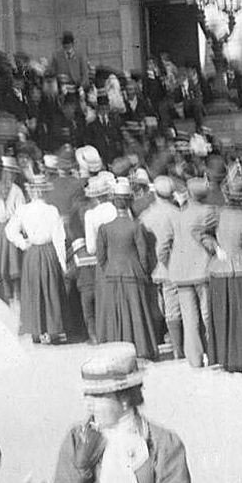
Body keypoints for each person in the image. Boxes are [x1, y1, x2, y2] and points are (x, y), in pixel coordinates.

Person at [51, 342, 193, 483]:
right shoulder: (78, 438)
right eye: (87, 395)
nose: (88, 405)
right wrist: (82, 470)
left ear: (124, 399)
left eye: (98, 395)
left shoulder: (162, 443)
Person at [159, 177, 219, 368]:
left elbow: (162, 247)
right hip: (203, 270)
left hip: (180, 273)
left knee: (189, 317)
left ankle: (194, 359)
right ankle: (213, 353)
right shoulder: (209, 213)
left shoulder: (176, 215)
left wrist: (169, 263)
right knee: (207, 314)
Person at [96, 179, 159, 360]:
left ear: (114, 203)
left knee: (115, 312)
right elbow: (143, 254)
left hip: (112, 273)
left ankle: (116, 346)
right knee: (136, 311)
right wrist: (143, 271)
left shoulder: (105, 228)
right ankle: (140, 348)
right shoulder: (136, 227)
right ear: (130, 202)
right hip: (133, 272)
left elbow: (101, 257)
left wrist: (110, 267)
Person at [208, 174, 242, 372]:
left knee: (222, 315)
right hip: (241, 270)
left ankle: (223, 357)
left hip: (219, 269)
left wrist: (215, 246)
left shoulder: (217, 213)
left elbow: (201, 233)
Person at [5, 173, 68, 344]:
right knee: (50, 289)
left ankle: (37, 330)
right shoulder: (51, 210)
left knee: (34, 289)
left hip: (32, 253)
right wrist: (62, 263)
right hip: (48, 252)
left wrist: (23, 243)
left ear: (32, 192)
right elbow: (58, 238)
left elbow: (10, 231)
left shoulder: (24, 210)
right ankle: (52, 330)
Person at [139, 175, 185, 360]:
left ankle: (159, 341)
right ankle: (176, 348)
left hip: (151, 266)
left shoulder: (145, 215)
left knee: (156, 305)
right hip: (170, 266)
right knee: (172, 307)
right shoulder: (176, 214)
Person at [83, 171, 118, 344]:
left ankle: (108, 335)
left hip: (104, 261)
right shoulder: (117, 210)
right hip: (122, 258)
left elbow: (90, 248)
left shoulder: (91, 215)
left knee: (105, 299)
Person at [0, 155, 26, 311]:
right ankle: (8, 296)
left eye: (10, 173)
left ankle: (15, 296)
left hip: (8, 227)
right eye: (7, 172)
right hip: (2, 228)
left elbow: (21, 211)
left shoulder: (15, 190)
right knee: (3, 265)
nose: (8, 176)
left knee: (12, 265)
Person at [87, 93, 123, 167]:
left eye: (106, 108)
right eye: (101, 108)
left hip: (115, 159)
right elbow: (90, 144)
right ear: (98, 108)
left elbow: (119, 140)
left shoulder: (115, 123)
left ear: (109, 108)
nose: (104, 111)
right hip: (99, 159)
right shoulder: (91, 126)